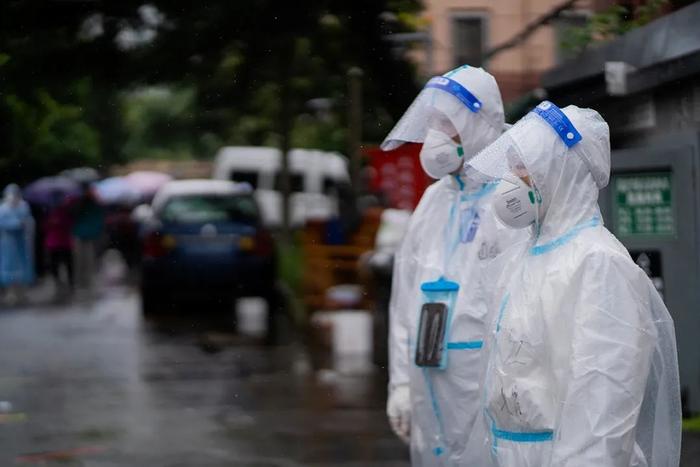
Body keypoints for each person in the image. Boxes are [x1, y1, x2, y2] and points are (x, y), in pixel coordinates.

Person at [464, 101, 681, 466]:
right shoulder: (525, 256)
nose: (511, 180)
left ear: (560, 171)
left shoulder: (598, 264)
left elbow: (602, 411)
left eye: (524, 167)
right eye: (513, 166)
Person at [382, 65, 524, 465]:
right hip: (429, 377)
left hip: (483, 377)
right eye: (434, 121)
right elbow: (404, 300)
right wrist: (401, 384)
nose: (437, 133)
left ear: (480, 124)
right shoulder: (433, 202)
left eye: (448, 122)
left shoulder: (511, 202)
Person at [0, 184, 35, 302]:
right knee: (8, 267)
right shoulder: (3, 208)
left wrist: (24, 225)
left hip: (21, 243)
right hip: (8, 243)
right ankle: (10, 292)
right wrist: (16, 224)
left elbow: (29, 221)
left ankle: (22, 292)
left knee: (22, 267)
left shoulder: (23, 206)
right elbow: (2, 224)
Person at [71, 184, 105, 290]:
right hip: (82, 233)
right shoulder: (79, 202)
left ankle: (85, 279)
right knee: (81, 259)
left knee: (86, 258)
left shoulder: (94, 203)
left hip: (87, 234)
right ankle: (82, 279)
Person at [44, 190, 74, 291]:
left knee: (68, 263)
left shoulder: (66, 210)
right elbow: (44, 226)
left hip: (64, 241)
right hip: (54, 242)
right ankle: (58, 282)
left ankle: (70, 282)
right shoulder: (48, 211)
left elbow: (70, 224)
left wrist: (59, 222)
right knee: (55, 264)